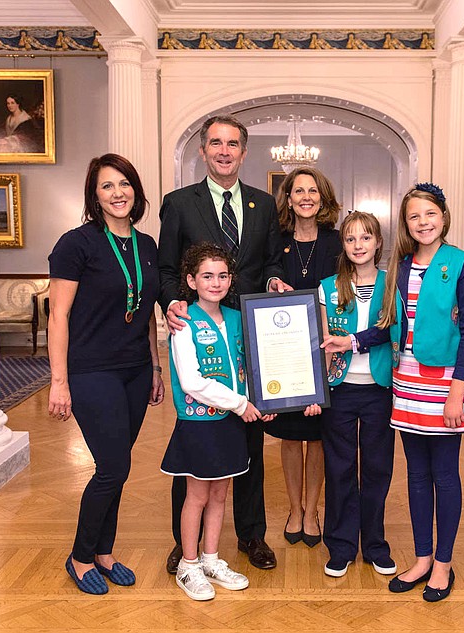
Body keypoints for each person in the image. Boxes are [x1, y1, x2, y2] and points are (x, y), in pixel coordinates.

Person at [158, 115, 290, 573]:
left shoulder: (262, 204)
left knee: (249, 437)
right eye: (215, 143)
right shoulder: (179, 204)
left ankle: (251, 534)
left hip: (249, 334)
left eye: (233, 143)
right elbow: (166, 269)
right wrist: (175, 303)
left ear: (244, 151)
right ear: (203, 151)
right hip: (197, 329)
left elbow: (271, 262)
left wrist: (274, 280)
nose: (224, 150)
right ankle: (186, 544)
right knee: (195, 447)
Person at [48, 153, 165, 595]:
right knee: (113, 467)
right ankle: (80, 557)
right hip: (91, 370)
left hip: (135, 370)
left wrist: (154, 366)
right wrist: (59, 381)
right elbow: (58, 315)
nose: (118, 193)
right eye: (107, 186)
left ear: (135, 190)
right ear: (94, 196)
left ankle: (105, 551)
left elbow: (146, 313)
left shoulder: (147, 245)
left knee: (118, 465)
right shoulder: (76, 244)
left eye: (124, 184)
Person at [377, 184, 464, 602]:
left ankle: (443, 564)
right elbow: (388, 324)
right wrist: (350, 342)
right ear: (406, 223)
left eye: (430, 214)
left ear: (443, 216)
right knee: (416, 475)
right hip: (407, 381)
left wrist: (458, 391)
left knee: (444, 474)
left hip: (444, 385)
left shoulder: (461, 264)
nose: (423, 222)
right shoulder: (400, 268)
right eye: (414, 216)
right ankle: (421, 558)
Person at [161, 243, 276, 601]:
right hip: (199, 424)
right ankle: (189, 564)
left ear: (232, 279)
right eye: (207, 276)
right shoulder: (183, 321)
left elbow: (251, 367)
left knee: (221, 493)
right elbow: (191, 381)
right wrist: (240, 404)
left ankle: (211, 559)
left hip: (230, 422)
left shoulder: (238, 317)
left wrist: (261, 400)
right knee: (196, 496)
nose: (216, 282)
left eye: (223, 275)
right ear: (191, 280)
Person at [264, 167, 341, 547]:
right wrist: (273, 283)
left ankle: (313, 512)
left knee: (320, 438)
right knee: (291, 437)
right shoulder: (276, 240)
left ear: (322, 198)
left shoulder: (338, 242)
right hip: (285, 356)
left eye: (313, 190)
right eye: (298, 191)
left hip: (328, 353)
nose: (306, 197)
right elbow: (266, 276)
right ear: (289, 198)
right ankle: (295, 509)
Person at [318, 211, 396, 578]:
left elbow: (389, 329)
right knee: (339, 467)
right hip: (341, 389)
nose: (358, 245)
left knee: (378, 469)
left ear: (378, 242)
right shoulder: (327, 287)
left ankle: (376, 545)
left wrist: (350, 342)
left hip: (381, 388)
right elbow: (318, 343)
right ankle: (341, 545)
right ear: (343, 245)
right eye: (350, 239)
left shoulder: (392, 283)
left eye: (365, 238)